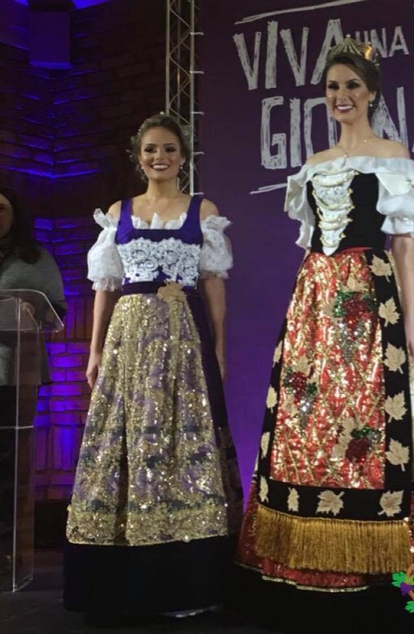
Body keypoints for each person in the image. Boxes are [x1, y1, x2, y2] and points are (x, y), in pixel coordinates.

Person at [234, 37, 414, 633]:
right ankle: (307, 566)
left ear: (371, 92)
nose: (341, 96)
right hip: (315, 304)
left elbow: (403, 244)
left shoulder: (392, 156)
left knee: (370, 422)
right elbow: (312, 245)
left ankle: (387, 565)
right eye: (332, 87)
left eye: (351, 86)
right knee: (309, 421)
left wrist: (410, 318)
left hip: (371, 301)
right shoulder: (314, 166)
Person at [63, 113, 243, 623]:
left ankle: (187, 571)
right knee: (129, 438)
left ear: (183, 156)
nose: (158, 158)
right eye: (149, 151)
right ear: (138, 157)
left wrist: (221, 347)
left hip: (184, 337)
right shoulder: (120, 211)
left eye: (167, 149)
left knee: (180, 442)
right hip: (129, 338)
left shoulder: (201, 210)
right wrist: (95, 350)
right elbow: (104, 287)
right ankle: (121, 573)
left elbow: (213, 284)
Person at [0, 186, 66, 572]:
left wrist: (30, 310)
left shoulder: (36, 259)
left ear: (15, 214)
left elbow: (56, 310)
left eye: (2, 208)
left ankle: (7, 550)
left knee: (9, 465)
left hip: (14, 373)